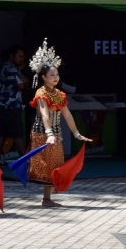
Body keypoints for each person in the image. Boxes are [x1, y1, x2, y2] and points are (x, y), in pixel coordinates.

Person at [27, 40, 92, 207]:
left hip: (55, 134)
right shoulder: (41, 93)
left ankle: (47, 198)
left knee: (55, 164)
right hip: (43, 133)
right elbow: (44, 115)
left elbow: (67, 115)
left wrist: (77, 133)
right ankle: (46, 199)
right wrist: (49, 134)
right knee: (46, 165)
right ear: (43, 77)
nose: (55, 78)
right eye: (52, 75)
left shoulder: (59, 94)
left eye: (57, 75)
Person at [0, 45, 28, 163]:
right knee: (17, 133)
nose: (21, 59)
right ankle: (24, 158)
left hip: (4, 106)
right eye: (19, 56)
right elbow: (21, 85)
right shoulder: (11, 69)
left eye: (23, 57)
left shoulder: (10, 68)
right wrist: (23, 81)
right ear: (11, 56)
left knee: (2, 132)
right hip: (10, 106)